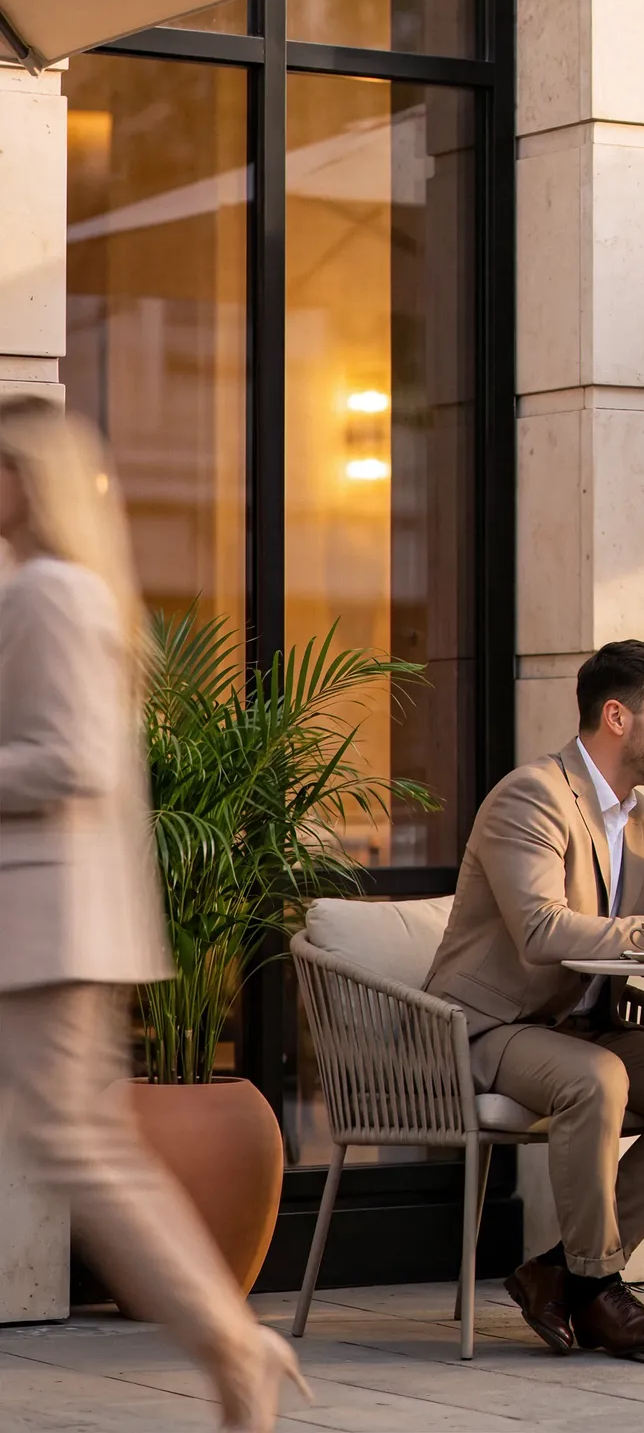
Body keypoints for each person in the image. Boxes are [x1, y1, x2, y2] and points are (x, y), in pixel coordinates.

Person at [0, 397, 309, 1432]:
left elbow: (72, 761)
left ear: (24, 477)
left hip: (46, 923)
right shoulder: (68, 589)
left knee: (82, 1150)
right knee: (85, 1146)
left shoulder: (49, 590)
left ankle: (234, 1344)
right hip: (64, 919)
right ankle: (235, 1351)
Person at [425, 639, 644, 1357]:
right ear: (616, 717)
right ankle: (598, 1284)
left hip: (583, 1023)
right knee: (595, 1078)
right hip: (488, 1029)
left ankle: (560, 1273)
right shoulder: (532, 795)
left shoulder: (643, 819)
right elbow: (540, 931)